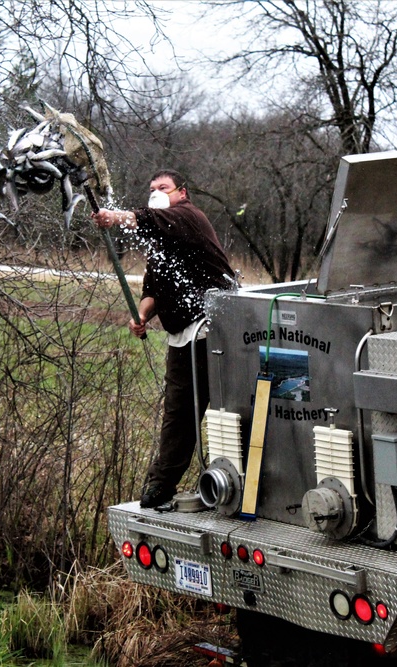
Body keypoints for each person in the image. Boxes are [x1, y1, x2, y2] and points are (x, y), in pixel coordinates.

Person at [93, 169, 235, 508]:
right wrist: (141, 315)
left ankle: (233, 477)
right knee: (178, 413)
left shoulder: (187, 217)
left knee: (225, 412)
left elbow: (149, 219)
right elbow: (154, 290)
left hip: (213, 329)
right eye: (152, 187)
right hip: (180, 335)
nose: (157, 192)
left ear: (181, 193)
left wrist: (115, 217)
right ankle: (162, 484)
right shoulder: (159, 241)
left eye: (164, 187)